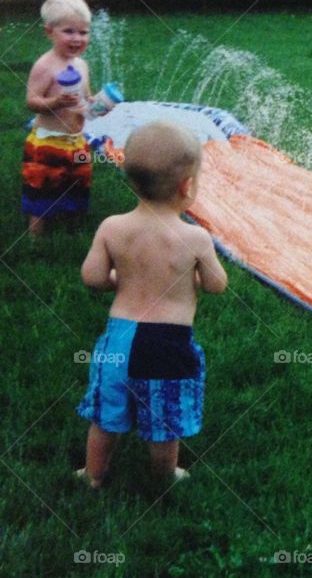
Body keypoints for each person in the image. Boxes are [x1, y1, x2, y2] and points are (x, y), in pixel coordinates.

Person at [75, 121, 228, 488]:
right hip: (168, 343)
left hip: (119, 340)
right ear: (186, 186)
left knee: (106, 411)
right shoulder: (195, 237)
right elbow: (216, 284)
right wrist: (187, 278)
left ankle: (93, 474)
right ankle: (164, 475)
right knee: (164, 415)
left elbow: (93, 278)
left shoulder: (112, 227)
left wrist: (120, 279)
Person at [23, 0, 95, 235]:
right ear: (49, 32)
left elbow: (86, 97)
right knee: (43, 185)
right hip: (48, 141)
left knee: (78, 180)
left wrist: (99, 102)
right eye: (69, 31)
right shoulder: (46, 65)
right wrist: (55, 101)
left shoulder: (81, 64)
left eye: (83, 33)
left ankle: (73, 226)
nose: (77, 38)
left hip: (76, 141)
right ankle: (36, 236)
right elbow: (31, 102)